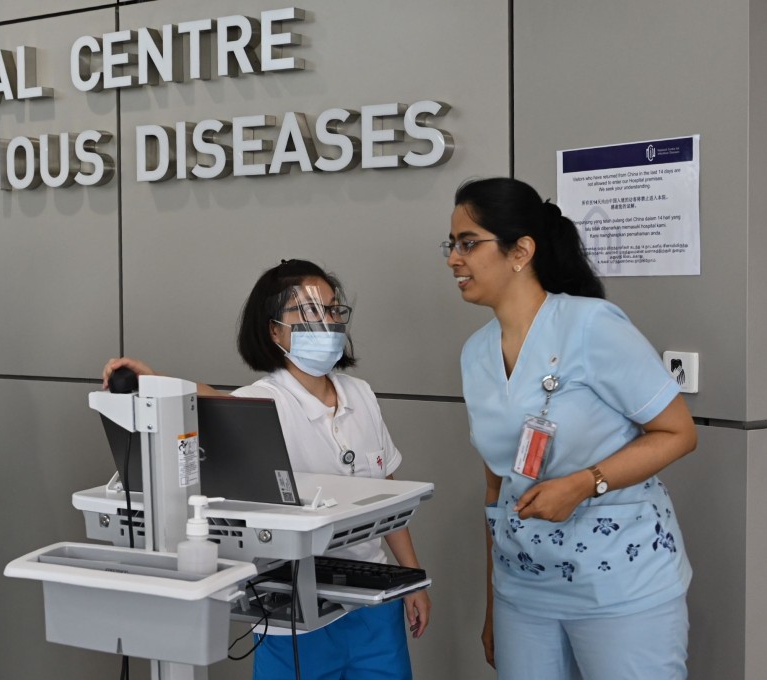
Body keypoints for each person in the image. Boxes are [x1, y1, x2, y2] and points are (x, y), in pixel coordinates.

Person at [104, 259, 429, 680]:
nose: (325, 322)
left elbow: (389, 496)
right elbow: (212, 400)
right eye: (308, 312)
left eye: (331, 310)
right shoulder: (266, 400)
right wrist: (156, 380)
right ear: (274, 330)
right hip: (297, 610)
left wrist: (411, 579)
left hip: (373, 605)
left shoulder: (360, 394)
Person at [445, 177, 696, 679]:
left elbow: (678, 432)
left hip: (621, 584)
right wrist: (495, 602)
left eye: (468, 243)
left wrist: (586, 483)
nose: (453, 258)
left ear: (521, 252)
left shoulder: (592, 325)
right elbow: (497, 486)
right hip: (524, 592)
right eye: (450, 245)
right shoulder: (475, 354)